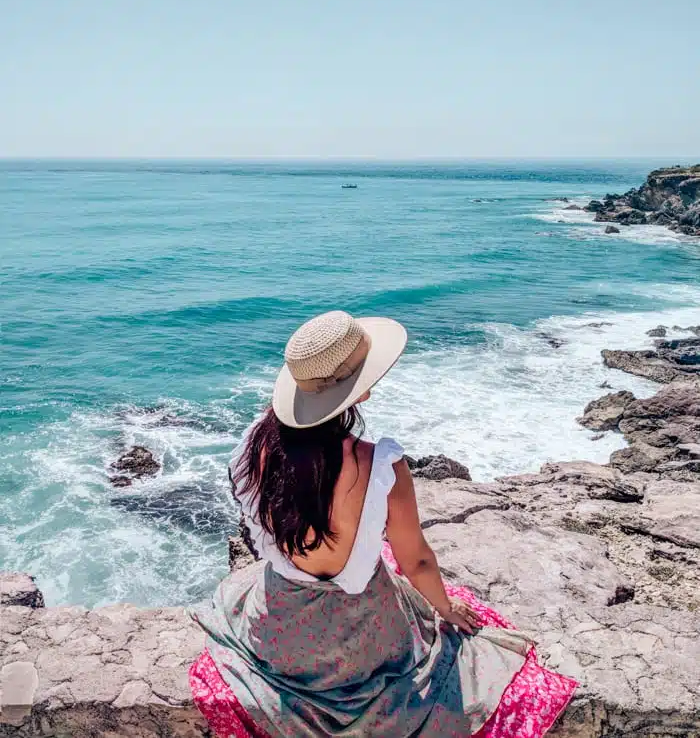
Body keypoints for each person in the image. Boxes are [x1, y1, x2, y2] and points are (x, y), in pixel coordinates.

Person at [190, 311, 577, 737]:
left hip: (278, 629)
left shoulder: (255, 445)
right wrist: (445, 609)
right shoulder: (379, 465)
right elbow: (417, 562)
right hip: (364, 636)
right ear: (358, 390)